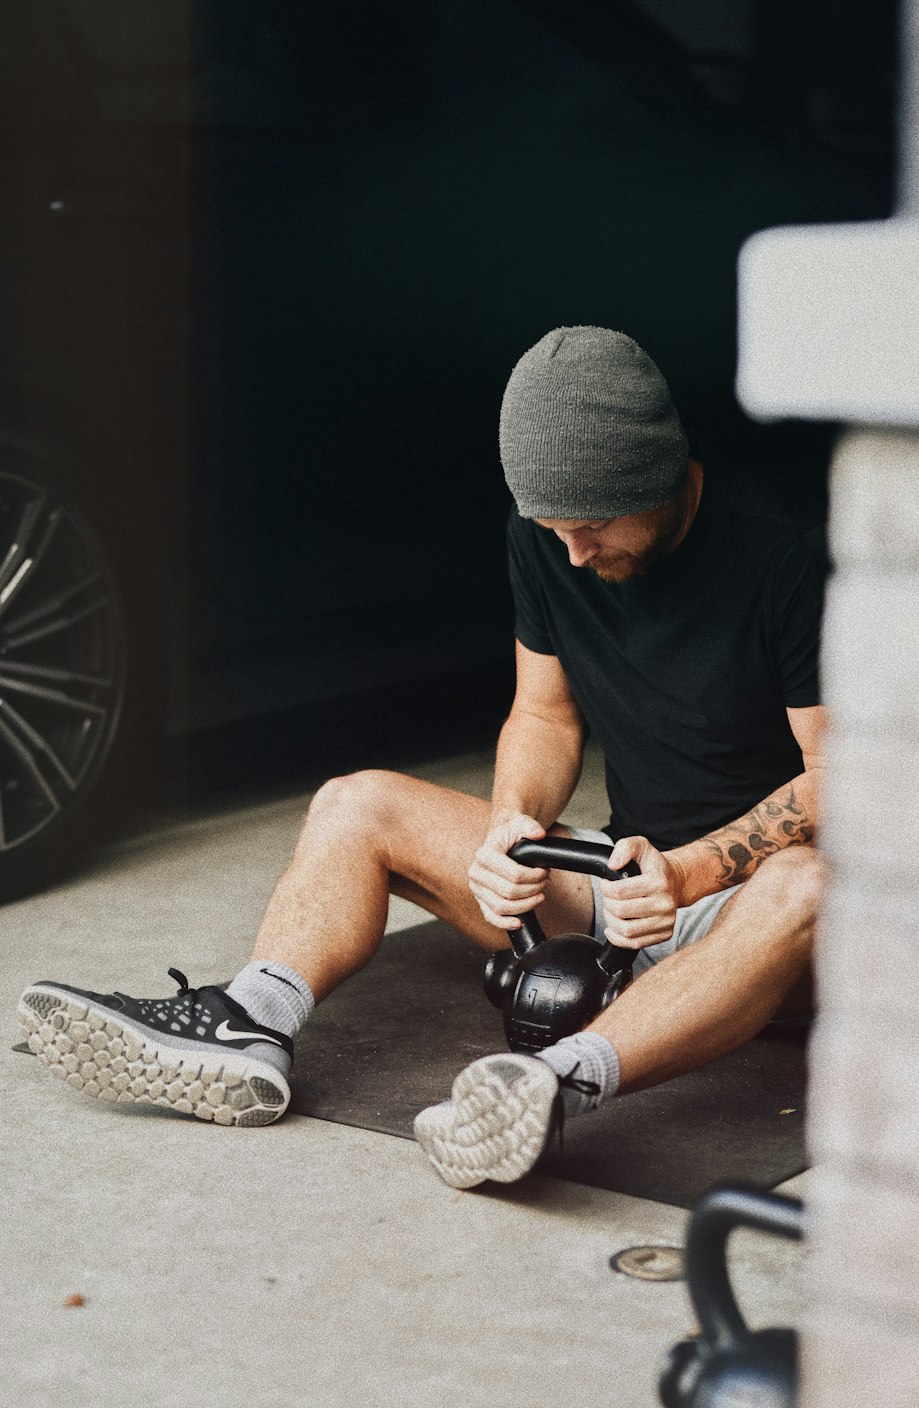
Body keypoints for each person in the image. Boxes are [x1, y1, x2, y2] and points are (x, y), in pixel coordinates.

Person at [18, 326, 829, 1188]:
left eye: (592, 528)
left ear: (660, 476)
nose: (574, 555)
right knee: (355, 803)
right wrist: (514, 828)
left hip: (756, 913)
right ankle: (251, 1021)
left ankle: (554, 1084)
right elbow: (545, 714)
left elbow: (845, 776)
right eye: (553, 531)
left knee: (807, 881)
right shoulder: (549, 539)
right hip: (623, 886)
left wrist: (692, 872)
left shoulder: (784, 555)